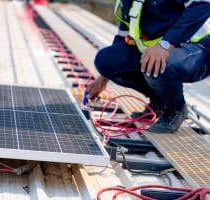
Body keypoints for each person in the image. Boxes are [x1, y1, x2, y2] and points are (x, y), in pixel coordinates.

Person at [87, 0, 210, 133]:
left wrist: (165, 45)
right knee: (105, 61)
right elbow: (124, 34)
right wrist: (104, 77)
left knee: (157, 64)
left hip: (199, 50)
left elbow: (203, 4)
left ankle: (176, 109)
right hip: (164, 47)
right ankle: (160, 101)